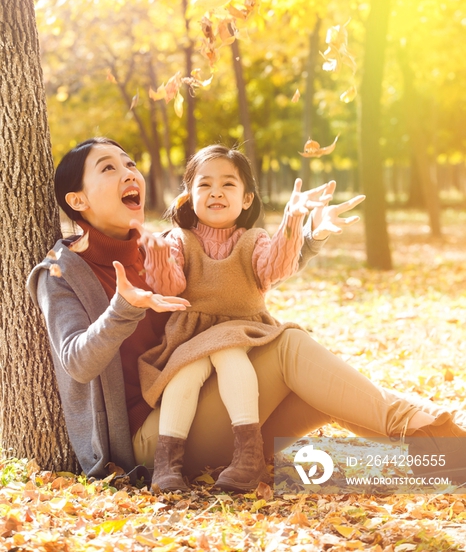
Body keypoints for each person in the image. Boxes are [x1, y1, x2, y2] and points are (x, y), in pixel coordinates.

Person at [27, 138, 466, 488]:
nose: (128, 173)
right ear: (78, 200)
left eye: (129, 164)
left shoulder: (160, 246)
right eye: (108, 168)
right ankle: (441, 435)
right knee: (290, 345)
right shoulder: (61, 274)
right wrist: (124, 307)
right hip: (153, 440)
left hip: (213, 399)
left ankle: (441, 457)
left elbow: (239, 274)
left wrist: (306, 234)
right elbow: (77, 363)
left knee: (323, 390)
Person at [137, 145, 359, 492]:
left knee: (230, 356)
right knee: (184, 375)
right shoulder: (179, 240)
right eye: (204, 185)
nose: (216, 192)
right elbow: (170, 284)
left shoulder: (253, 240)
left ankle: (248, 453)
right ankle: (167, 463)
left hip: (241, 331)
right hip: (190, 336)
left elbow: (275, 267)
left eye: (228, 184)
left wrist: (293, 221)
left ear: (246, 199)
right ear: (188, 197)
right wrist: (157, 254)